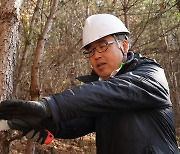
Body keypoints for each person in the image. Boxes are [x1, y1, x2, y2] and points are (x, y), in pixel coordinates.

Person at [0, 14, 179, 154]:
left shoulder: (151, 74)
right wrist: (44, 122)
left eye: (102, 46)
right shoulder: (100, 91)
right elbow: (76, 123)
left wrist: (49, 105)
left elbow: (113, 91)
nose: (96, 55)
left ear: (124, 46)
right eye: (91, 51)